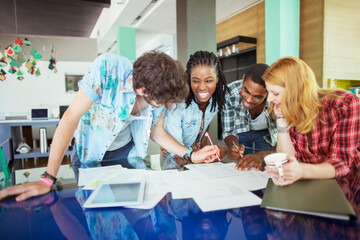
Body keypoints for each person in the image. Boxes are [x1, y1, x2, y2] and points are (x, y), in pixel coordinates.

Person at [0, 51, 218, 202]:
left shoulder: (160, 87)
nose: (168, 106)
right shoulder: (107, 69)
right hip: (90, 153)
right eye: (164, 103)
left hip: (127, 155)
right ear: (141, 90)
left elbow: (156, 131)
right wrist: (48, 177)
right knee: (96, 207)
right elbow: (70, 117)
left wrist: (191, 155)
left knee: (131, 204)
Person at [263, 56, 360, 212]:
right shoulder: (291, 108)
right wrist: (281, 121)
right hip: (313, 184)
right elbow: (287, 157)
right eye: (269, 92)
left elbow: (341, 163)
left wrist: (301, 171)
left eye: (275, 93)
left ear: (296, 90)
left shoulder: (344, 104)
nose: (269, 99)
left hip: (348, 190)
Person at [160, 51, 229, 169]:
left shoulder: (215, 100)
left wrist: (207, 152)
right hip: (175, 160)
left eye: (209, 81)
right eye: (196, 81)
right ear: (188, 79)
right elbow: (174, 148)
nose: (202, 87)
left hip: (197, 158)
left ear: (217, 79)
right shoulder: (177, 104)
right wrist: (195, 157)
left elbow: (203, 128)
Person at [221, 63, 277, 170]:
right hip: (241, 131)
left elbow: (285, 143)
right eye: (246, 91)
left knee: (264, 168)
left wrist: (261, 155)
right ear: (243, 79)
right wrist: (233, 146)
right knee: (243, 166)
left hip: (266, 134)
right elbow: (229, 131)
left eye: (258, 97)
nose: (249, 100)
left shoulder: (276, 100)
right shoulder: (230, 93)